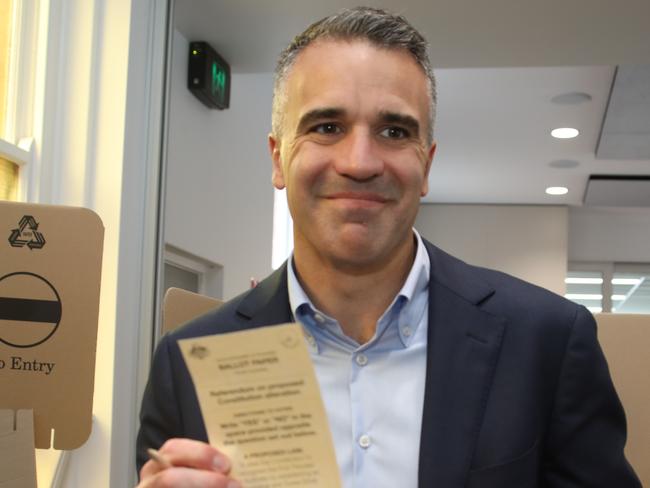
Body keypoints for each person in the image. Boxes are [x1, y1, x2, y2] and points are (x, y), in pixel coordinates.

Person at [136, 7, 641, 487]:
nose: (359, 161)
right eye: (327, 127)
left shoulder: (546, 342)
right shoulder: (189, 362)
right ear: (277, 157)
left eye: (394, 131)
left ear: (427, 164)